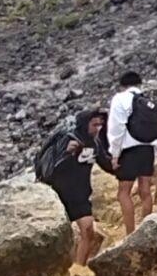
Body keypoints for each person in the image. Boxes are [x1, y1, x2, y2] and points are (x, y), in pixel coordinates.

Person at [40, 109, 109, 266]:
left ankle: (78, 268)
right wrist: (68, 153)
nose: (98, 128)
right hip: (61, 194)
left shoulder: (95, 144)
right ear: (85, 125)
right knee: (58, 237)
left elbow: (105, 163)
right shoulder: (69, 139)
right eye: (94, 124)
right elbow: (55, 168)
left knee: (88, 231)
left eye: (100, 124)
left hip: (81, 195)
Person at [106, 71, 156, 235]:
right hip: (148, 149)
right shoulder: (147, 100)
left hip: (129, 150)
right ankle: (146, 230)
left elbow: (116, 128)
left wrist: (114, 154)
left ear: (122, 85)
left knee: (123, 192)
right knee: (145, 191)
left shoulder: (120, 99)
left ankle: (130, 233)